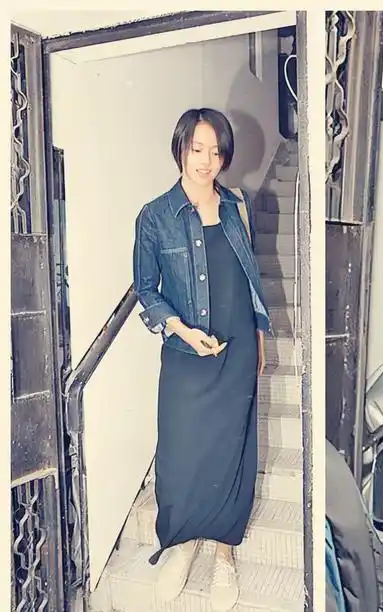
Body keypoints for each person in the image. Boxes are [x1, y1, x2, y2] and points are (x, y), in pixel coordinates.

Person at [132, 107, 270, 610]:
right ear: (180, 149)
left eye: (216, 151)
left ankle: (223, 553)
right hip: (185, 353)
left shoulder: (237, 206)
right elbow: (146, 290)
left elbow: (250, 279)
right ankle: (183, 543)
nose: (207, 160)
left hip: (237, 348)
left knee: (232, 449)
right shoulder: (155, 216)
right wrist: (183, 331)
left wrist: (259, 336)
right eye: (197, 149)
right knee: (180, 453)